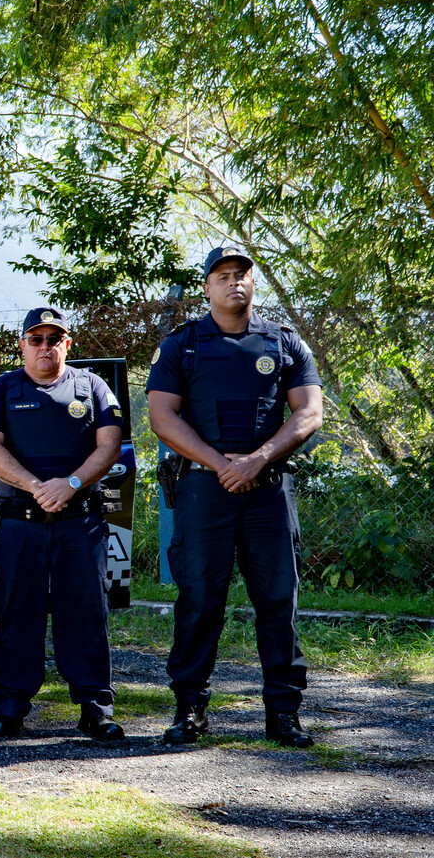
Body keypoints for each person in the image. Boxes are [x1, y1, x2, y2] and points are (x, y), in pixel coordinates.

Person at [147, 245, 323, 748]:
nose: (234, 283)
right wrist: (222, 463)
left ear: (253, 282)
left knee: (277, 599)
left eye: (242, 274)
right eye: (222, 276)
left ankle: (284, 715)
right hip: (205, 489)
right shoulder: (181, 345)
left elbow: (309, 413)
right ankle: (190, 711)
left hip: (267, 490)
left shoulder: (285, 344)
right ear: (207, 286)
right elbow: (163, 418)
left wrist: (257, 459)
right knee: (201, 600)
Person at [0, 306, 125, 741]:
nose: (45, 346)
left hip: (80, 521)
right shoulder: (2, 389)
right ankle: (9, 709)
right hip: (21, 522)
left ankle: (95, 708)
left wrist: (72, 484)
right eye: (35, 339)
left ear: (67, 344)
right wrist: (38, 486)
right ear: (22, 344)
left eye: (53, 339)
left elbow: (110, 445)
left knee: (86, 612)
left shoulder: (92, 387)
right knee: (16, 611)